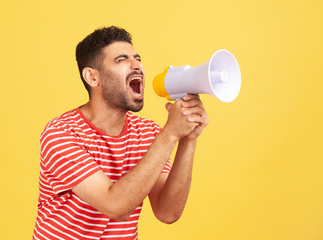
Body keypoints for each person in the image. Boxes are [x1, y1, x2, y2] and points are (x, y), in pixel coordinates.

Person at [32, 26, 209, 240]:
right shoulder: (61, 133)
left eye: (137, 58)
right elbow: (115, 206)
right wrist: (170, 134)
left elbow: (168, 212)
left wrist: (188, 139)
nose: (138, 66)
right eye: (121, 60)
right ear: (92, 77)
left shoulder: (147, 132)